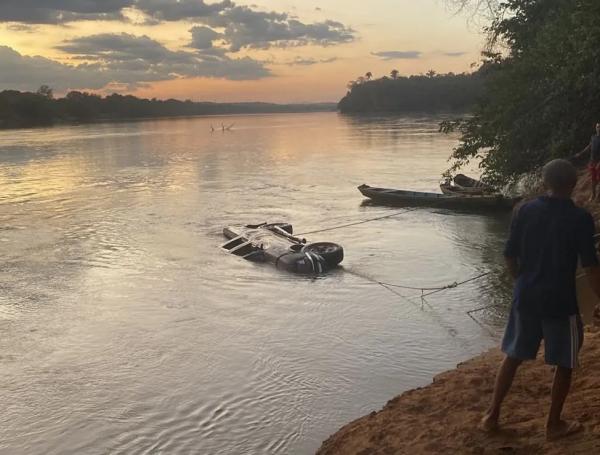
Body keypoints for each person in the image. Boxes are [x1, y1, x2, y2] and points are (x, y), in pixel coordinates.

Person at [481, 159, 600, 441]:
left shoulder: (524, 210)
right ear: (573, 185)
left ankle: (491, 415)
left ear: (545, 183)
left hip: (526, 298)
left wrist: (521, 281)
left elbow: (510, 255)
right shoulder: (581, 219)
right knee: (566, 362)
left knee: (513, 356)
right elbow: (591, 268)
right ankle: (553, 424)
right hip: (561, 303)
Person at [574, 122, 600, 201]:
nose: (599, 128)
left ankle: (598, 195)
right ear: (596, 128)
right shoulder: (593, 137)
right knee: (593, 179)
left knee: (598, 179)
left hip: (599, 162)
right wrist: (580, 153)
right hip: (592, 162)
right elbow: (589, 146)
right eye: (598, 127)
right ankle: (593, 195)